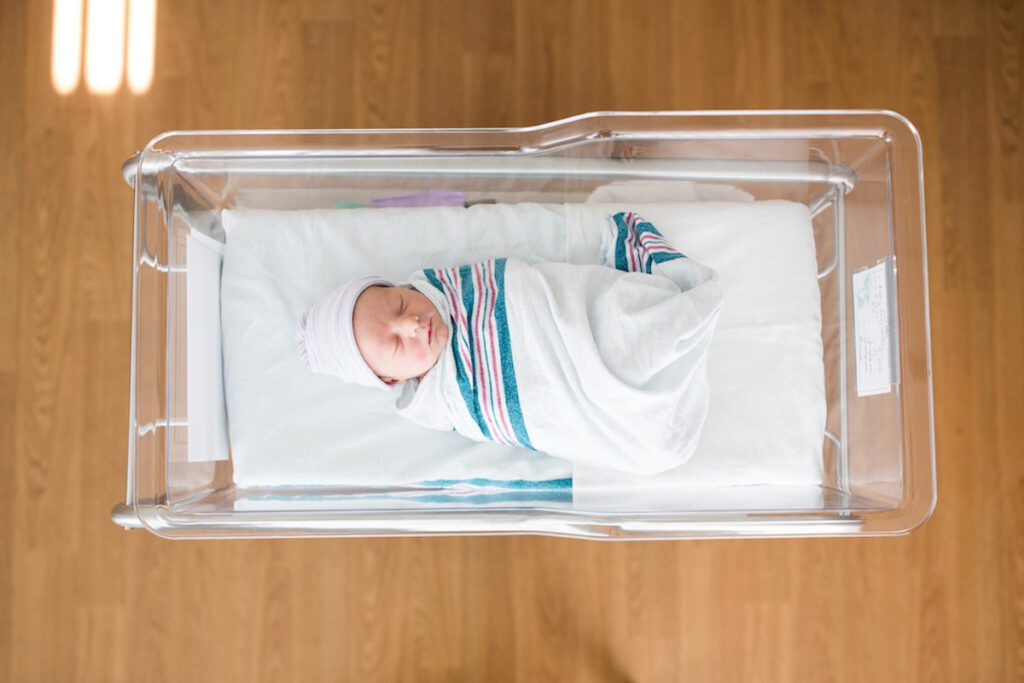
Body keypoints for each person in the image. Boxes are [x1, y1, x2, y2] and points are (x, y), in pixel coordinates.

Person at [296, 212, 723, 475]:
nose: (410, 324)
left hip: (582, 323)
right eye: (393, 344)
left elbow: (528, 289)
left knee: (634, 327)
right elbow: (535, 410)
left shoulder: (456, 286)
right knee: (652, 446)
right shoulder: (449, 403)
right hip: (587, 400)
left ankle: (650, 330)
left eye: (399, 302)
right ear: (390, 379)